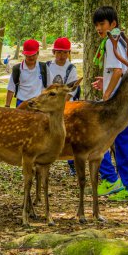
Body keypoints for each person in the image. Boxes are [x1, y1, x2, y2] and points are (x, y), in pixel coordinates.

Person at [91, 5, 128, 202]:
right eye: (96, 24)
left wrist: (107, 96)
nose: (98, 28)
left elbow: (119, 72)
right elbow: (120, 72)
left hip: (119, 105)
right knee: (123, 144)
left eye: (102, 23)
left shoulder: (112, 42)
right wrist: (106, 82)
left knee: (101, 140)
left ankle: (120, 184)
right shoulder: (118, 41)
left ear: (113, 24)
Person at [47, 37, 80, 176]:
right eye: (59, 52)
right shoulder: (47, 66)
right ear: (54, 52)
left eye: (65, 53)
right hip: (49, 104)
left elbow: (72, 89)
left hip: (65, 105)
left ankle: (72, 164)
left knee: (69, 134)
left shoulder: (71, 68)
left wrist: (61, 106)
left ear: (69, 53)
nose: (61, 56)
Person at [5, 39, 50, 108]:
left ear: (37, 53)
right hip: (21, 103)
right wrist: (7, 106)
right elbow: (11, 89)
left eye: (33, 55)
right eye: (28, 55)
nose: (31, 57)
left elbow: (50, 86)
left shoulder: (44, 67)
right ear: (24, 54)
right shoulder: (17, 69)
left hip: (38, 104)